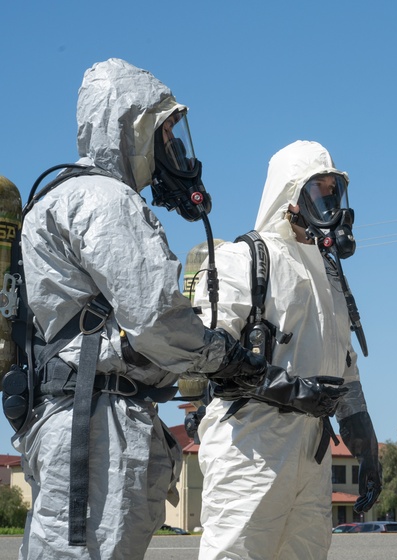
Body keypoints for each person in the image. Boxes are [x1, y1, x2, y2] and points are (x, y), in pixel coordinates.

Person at [13, 59, 346, 559]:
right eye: (165, 133)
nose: (176, 150)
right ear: (130, 126)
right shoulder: (105, 199)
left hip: (85, 413)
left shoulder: (67, 197)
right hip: (96, 421)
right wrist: (232, 360)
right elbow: (157, 319)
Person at [194, 140, 382, 560]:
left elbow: (345, 371)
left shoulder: (330, 275)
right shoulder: (242, 259)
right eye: (319, 191)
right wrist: (288, 389)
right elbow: (207, 350)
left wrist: (365, 447)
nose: (330, 203)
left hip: (312, 457)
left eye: (335, 192)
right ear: (290, 197)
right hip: (250, 450)